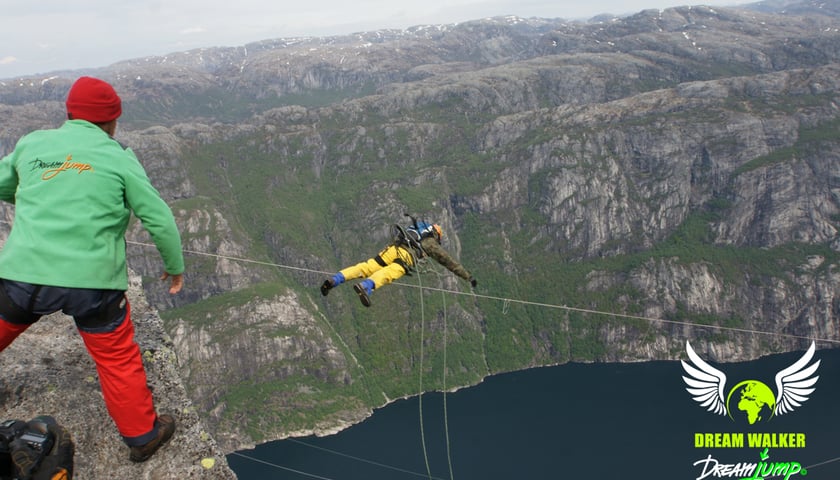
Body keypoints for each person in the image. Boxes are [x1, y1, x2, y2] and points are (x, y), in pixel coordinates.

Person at [0, 77, 185, 463]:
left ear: (69, 113)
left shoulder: (33, 143)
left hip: (24, 276)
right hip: (92, 284)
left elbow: (4, 185)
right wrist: (174, 267)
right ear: (113, 122)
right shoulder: (117, 156)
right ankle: (142, 436)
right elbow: (159, 218)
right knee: (117, 358)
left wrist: (38, 196)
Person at [321, 217, 476, 307]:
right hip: (406, 257)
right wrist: (468, 277)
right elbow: (449, 262)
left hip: (392, 249)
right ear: (437, 235)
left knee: (366, 267)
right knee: (388, 274)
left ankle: (335, 280)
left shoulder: (415, 230)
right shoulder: (431, 242)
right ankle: (366, 286)